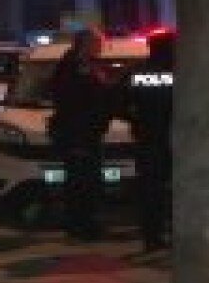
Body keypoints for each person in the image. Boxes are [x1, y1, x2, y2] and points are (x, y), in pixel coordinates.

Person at [48, 29, 113, 241]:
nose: (101, 47)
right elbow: (72, 102)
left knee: (89, 181)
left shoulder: (89, 66)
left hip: (89, 133)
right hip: (78, 134)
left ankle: (87, 223)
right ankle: (81, 226)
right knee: (81, 182)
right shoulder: (72, 68)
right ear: (85, 44)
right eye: (97, 43)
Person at [118, 29, 176, 253]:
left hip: (147, 138)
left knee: (150, 190)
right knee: (169, 189)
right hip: (173, 139)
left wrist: (136, 119)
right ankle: (167, 232)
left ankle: (152, 236)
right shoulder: (179, 72)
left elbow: (116, 102)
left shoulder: (136, 73)